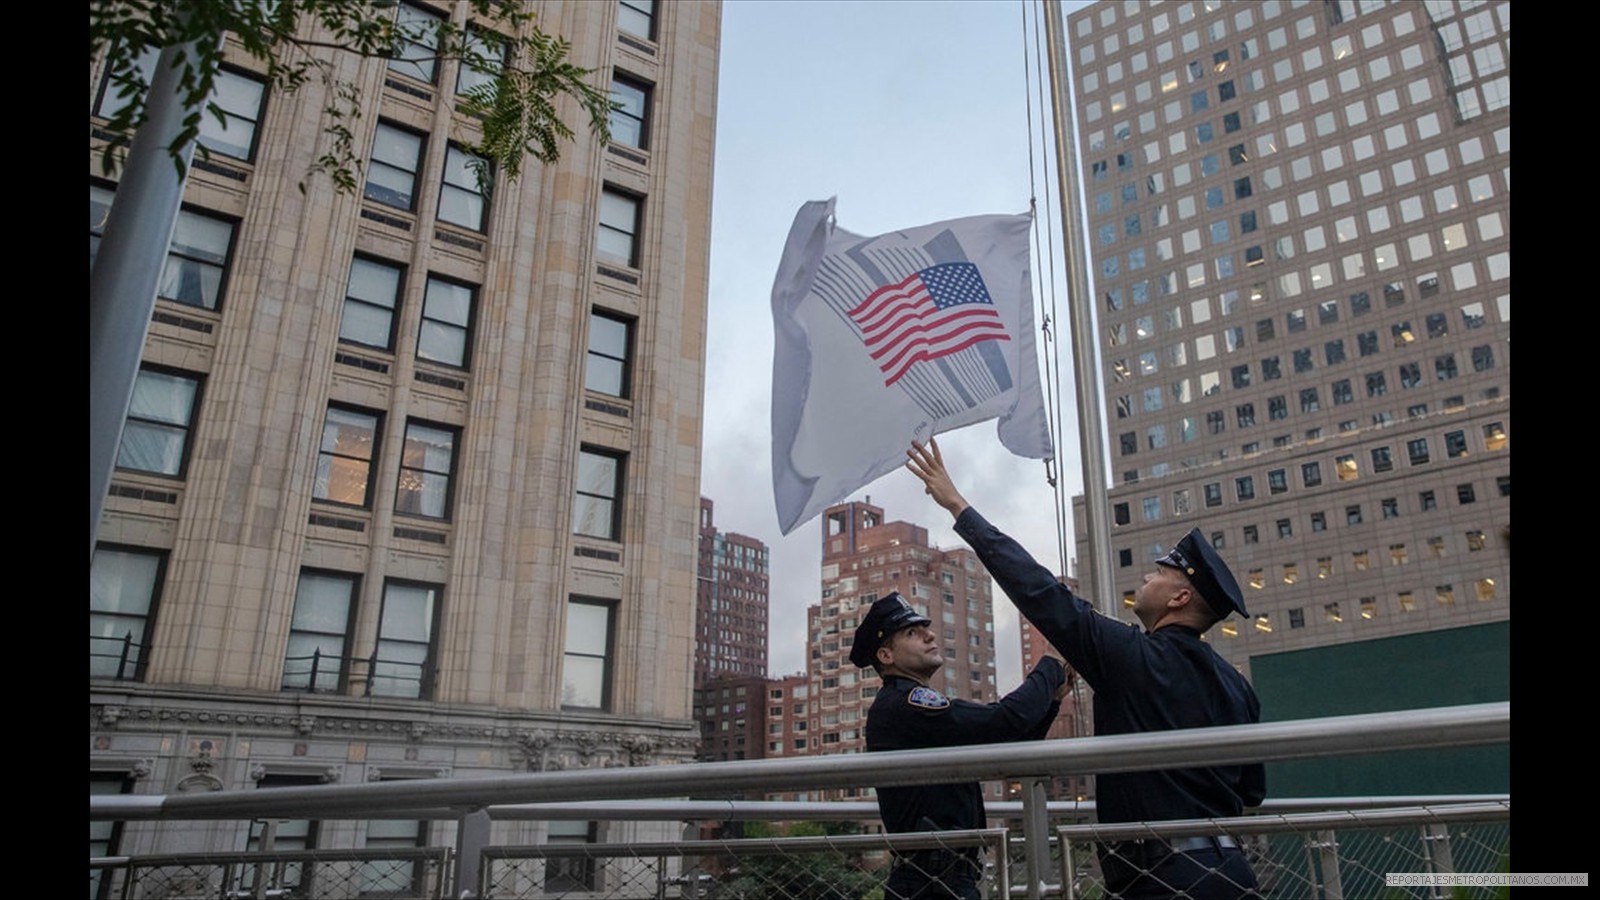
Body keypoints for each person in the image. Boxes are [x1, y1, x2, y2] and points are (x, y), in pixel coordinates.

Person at [906, 438, 1266, 900]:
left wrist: (958, 505)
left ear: (1180, 599)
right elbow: (1252, 791)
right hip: (1233, 873)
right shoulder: (1237, 685)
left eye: (1158, 575)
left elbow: (1040, 592)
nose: (1145, 579)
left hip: (1162, 879)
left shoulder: (1132, 656)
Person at [854, 592, 1069, 900]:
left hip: (942, 879)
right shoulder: (907, 704)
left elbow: (1011, 749)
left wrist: (1053, 699)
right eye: (912, 633)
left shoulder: (911, 707)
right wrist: (1050, 664)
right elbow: (1005, 719)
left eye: (926, 628)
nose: (930, 635)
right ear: (886, 656)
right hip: (931, 882)